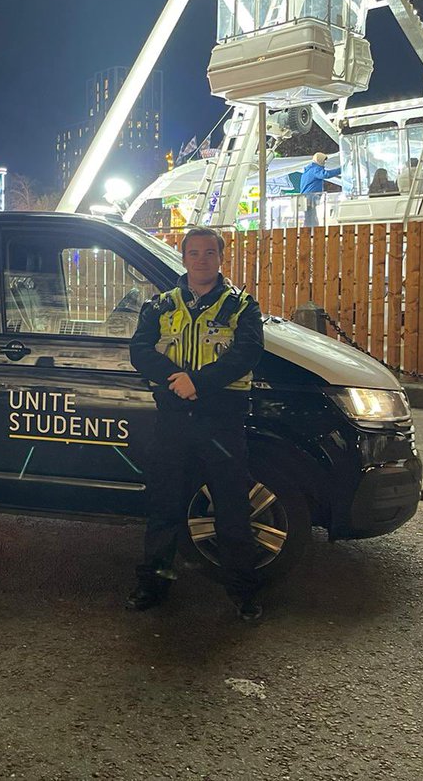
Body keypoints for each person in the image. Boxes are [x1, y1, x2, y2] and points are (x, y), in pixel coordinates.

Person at [126, 226, 266, 622]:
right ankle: (152, 585)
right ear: (183, 258)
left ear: (220, 258)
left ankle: (244, 593)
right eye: (193, 252)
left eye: (209, 253)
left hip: (221, 420)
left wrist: (196, 383)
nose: (201, 259)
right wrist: (178, 381)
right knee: (164, 505)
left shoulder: (242, 307)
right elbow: (139, 350)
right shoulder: (160, 305)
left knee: (233, 508)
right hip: (173, 417)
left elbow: (247, 354)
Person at [299, 152, 341, 227]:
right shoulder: (315, 169)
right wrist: (340, 170)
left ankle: (310, 230)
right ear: (319, 160)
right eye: (324, 160)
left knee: (309, 216)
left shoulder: (308, 170)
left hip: (306, 197)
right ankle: (312, 231)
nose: (324, 163)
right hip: (311, 197)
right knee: (311, 216)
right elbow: (325, 174)